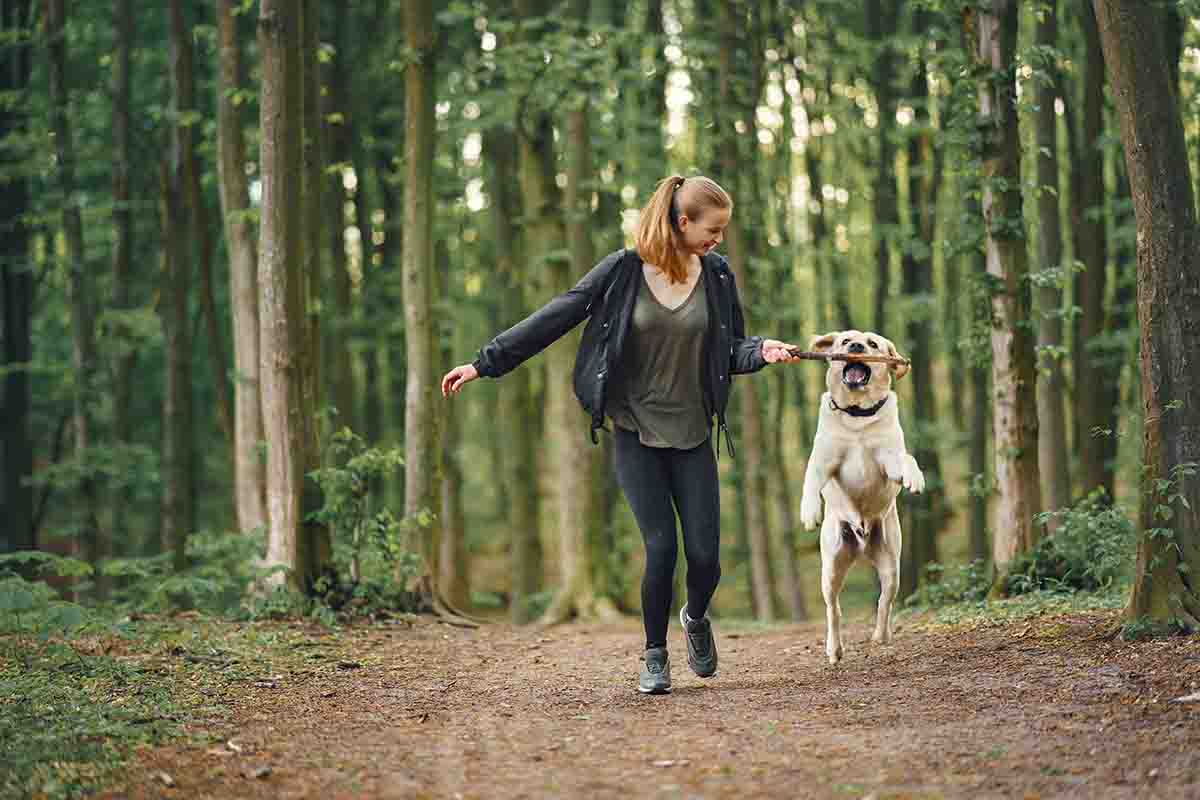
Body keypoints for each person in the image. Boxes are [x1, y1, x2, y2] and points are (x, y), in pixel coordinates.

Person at [441, 175, 799, 694]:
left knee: (705, 558)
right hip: (634, 428)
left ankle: (694, 619)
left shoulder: (717, 275)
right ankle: (654, 655)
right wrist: (485, 363)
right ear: (682, 221)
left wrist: (762, 351)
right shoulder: (624, 270)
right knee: (661, 549)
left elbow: (731, 348)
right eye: (712, 230)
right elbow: (556, 315)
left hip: (692, 430)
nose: (718, 240)